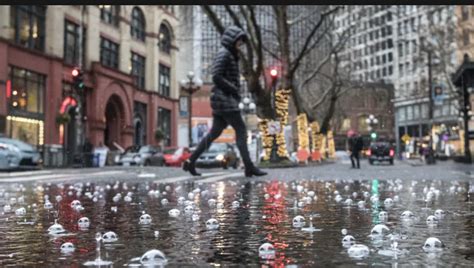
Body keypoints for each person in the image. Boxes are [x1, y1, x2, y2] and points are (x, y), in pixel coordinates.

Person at [183, 26, 267, 178]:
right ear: (231, 40)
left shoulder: (229, 55)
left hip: (222, 100)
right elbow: (216, 76)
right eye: (238, 41)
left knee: (214, 133)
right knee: (241, 130)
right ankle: (249, 167)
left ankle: (190, 161)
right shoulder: (225, 54)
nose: (240, 44)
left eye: (241, 42)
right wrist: (233, 89)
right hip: (225, 99)